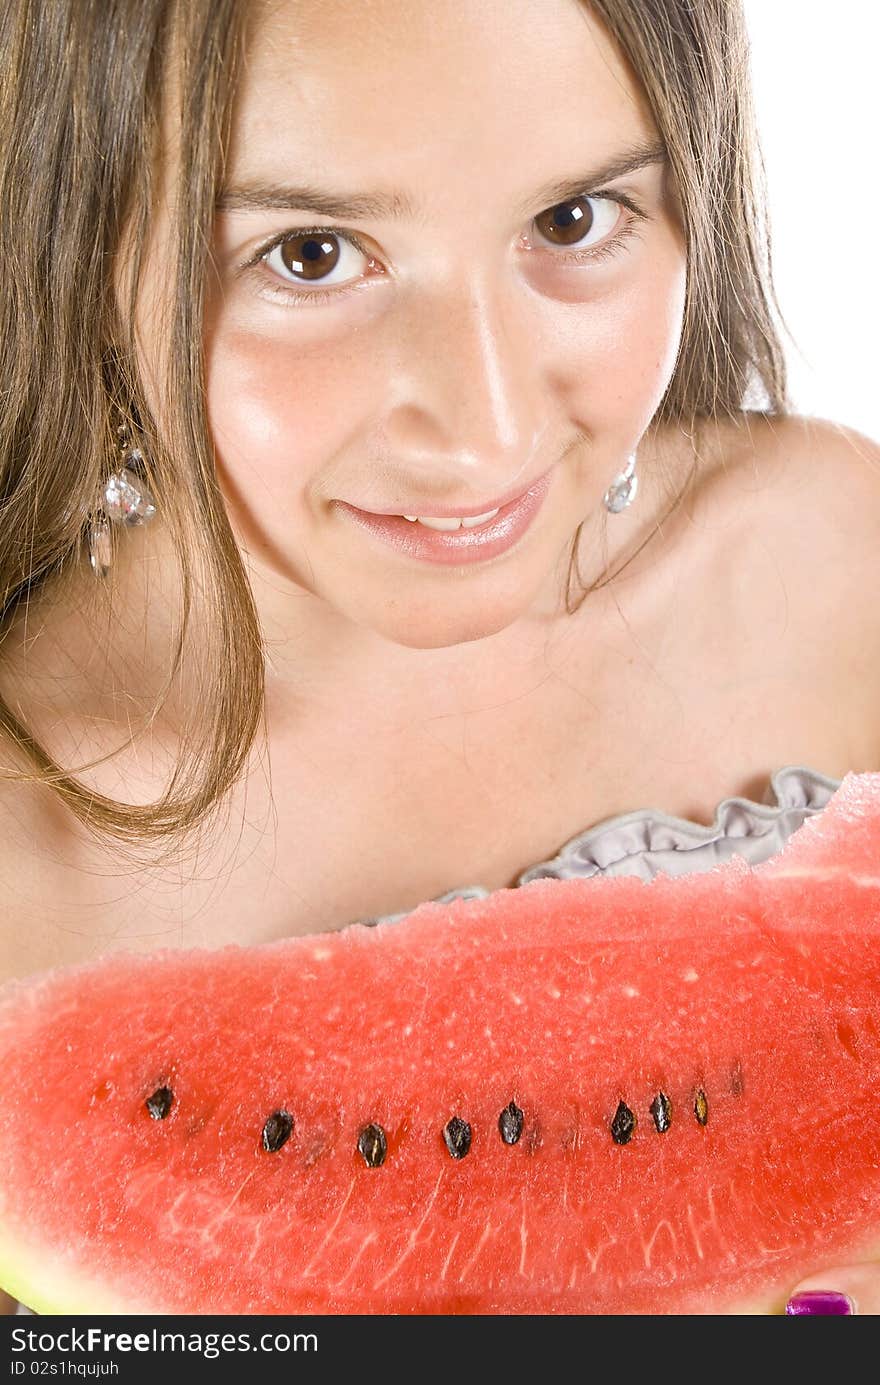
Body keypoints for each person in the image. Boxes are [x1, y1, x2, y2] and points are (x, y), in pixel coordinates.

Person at [0, 0, 877, 1318]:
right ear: (77, 239)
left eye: (574, 222)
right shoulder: (26, 869)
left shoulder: (831, 562)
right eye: (309, 254)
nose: (486, 427)